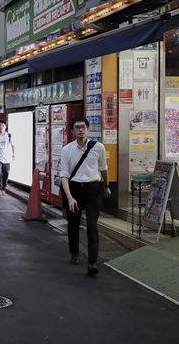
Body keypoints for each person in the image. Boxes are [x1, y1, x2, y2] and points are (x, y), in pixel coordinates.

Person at [61, 116, 110, 276]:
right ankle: (74, 253)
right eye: (77, 127)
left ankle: (92, 263)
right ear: (72, 131)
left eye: (83, 126)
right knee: (73, 224)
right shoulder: (67, 149)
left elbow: (103, 168)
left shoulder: (98, 147)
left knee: (92, 225)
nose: (81, 129)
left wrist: (107, 186)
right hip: (74, 190)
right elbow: (64, 176)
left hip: (93, 190)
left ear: (88, 129)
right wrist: (69, 197)